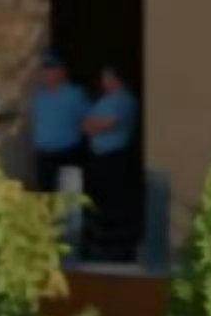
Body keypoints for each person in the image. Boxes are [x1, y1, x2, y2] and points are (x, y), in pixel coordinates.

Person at [79, 65, 142, 262]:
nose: (104, 82)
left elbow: (108, 124)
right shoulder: (104, 100)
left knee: (114, 202)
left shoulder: (125, 100)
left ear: (117, 79)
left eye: (107, 78)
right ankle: (100, 243)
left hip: (115, 158)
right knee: (97, 202)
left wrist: (94, 124)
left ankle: (118, 248)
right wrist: (93, 125)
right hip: (98, 158)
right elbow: (85, 125)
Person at [28, 49, 90, 194]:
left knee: (69, 196)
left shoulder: (75, 94)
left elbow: (88, 122)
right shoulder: (37, 95)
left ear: (62, 71)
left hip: (68, 154)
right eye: (44, 69)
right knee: (46, 196)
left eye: (51, 68)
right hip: (44, 156)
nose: (46, 73)